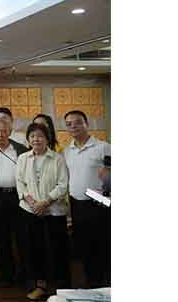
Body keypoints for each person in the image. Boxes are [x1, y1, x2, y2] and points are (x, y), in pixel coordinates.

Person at [17, 122, 71, 300]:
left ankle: (63, 288)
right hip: (30, 210)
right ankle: (40, 285)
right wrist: (33, 203)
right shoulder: (23, 158)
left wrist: (45, 202)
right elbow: (20, 182)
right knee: (35, 249)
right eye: (32, 136)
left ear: (47, 138)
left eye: (40, 136)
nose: (36, 139)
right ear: (28, 139)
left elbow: (62, 184)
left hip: (54, 211)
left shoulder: (57, 158)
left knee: (58, 250)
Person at [62, 110, 110, 289]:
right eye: (69, 124)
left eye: (77, 122)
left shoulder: (103, 147)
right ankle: (92, 284)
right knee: (84, 246)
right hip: (77, 204)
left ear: (87, 124)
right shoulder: (67, 151)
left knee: (103, 245)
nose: (73, 126)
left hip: (99, 203)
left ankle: (107, 285)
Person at [0, 119, 28, 287]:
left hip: (18, 196)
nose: (0, 135)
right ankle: (6, 275)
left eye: (4, 131)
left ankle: (25, 274)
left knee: (22, 237)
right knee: (1, 238)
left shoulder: (21, 149)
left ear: (10, 132)